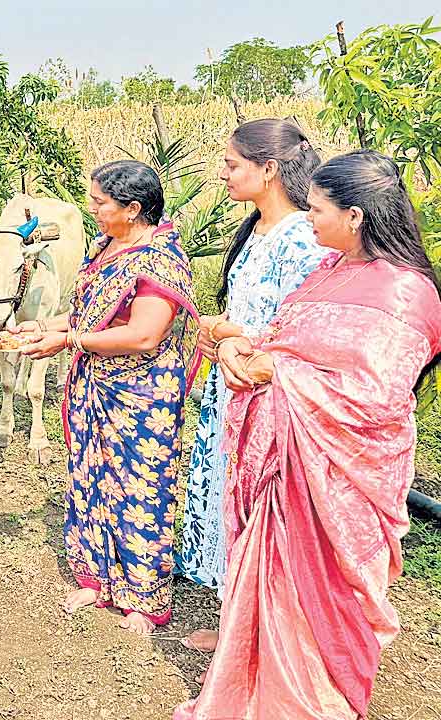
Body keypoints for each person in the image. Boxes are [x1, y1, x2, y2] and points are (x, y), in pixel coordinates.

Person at [174, 151, 441, 720]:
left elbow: (375, 396)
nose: (310, 219)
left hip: (342, 478)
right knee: (273, 577)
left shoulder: (405, 292)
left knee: (324, 595)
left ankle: (314, 697)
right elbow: (289, 343)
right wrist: (243, 343)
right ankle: (262, 675)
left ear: (357, 215)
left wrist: (273, 370)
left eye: (318, 209)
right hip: (283, 465)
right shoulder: (328, 268)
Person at [18, 160, 200, 635]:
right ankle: (97, 578)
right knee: (90, 479)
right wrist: (42, 327)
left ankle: (143, 598)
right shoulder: (106, 247)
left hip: (141, 395)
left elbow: (143, 335)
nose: (92, 210)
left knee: (141, 489)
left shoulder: (157, 260)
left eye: (100, 202)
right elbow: (84, 314)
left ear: (133, 208)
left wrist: (69, 342)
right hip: (95, 385)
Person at [176, 119, 326, 652]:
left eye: (232, 164)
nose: (223, 174)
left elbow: (303, 325)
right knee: (231, 497)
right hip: (232, 384)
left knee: (265, 506)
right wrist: (222, 330)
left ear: (269, 170)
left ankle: (267, 632)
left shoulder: (305, 237)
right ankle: (238, 621)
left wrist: (230, 331)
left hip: (269, 392)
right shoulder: (257, 229)